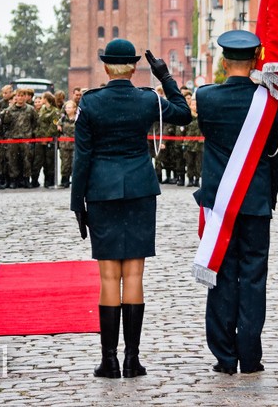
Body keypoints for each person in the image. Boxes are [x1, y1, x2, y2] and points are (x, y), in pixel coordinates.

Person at [71, 39, 191, 379]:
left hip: (102, 192)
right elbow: (182, 114)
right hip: (139, 189)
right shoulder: (147, 99)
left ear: (106, 68)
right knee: (134, 274)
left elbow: (82, 159)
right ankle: (132, 360)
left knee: (109, 275)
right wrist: (165, 77)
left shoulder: (91, 103)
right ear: (135, 68)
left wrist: (76, 203)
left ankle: (109, 361)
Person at [194, 30, 278, 375]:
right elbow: (277, 152)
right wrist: (269, 194)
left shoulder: (207, 98)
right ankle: (250, 354)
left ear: (223, 61)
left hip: (220, 201)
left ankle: (224, 355)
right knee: (252, 278)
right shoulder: (269, 101)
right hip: (255, 201)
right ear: (254, 61)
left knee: (220, 274)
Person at [0, 89, 37, 188]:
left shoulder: (30, 109)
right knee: (12, 160)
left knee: (27, 160)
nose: (20, 98)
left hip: (26, 139)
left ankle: (26, 180)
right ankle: (13, 180)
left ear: (25, 97)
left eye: (22, 96)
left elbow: (34, 123)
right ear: (15, 97)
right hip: (13, 139)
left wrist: (30, 134)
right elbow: (3, 124)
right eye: (18, 96)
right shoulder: (8, 110)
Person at [33, 91, 60, 188]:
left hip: (50, 140)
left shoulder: (55, 111)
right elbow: (38, 123)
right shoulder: (42, 110)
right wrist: (38, 135)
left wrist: (47, 137)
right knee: (39, 160)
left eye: (43, 98)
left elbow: (54, 126)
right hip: (40, 139)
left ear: (46, 99)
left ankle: (50, 181)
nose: (41, 100)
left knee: (50, 162)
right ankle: (35, 180)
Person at [182, 94, 203, 188]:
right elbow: (183, 130)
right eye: (193, 105)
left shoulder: (202, 117)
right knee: (189, 162)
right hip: (189, 143)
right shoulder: (188, 117)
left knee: (198, 163)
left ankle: (197, 179)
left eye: (196, 105)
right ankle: (190, 179)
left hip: (199, 144)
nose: (194, 107)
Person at [58, 100, 77, 188]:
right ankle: (64, 179)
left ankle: (75, 180)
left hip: (75, 144)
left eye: (69, 107)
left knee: (75, 163)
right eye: (66, 108)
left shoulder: (78, 118)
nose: (67, 109)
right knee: (65, 163)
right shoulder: (62, 119)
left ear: (74, 108)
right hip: (64, 144)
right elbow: (59, 130)